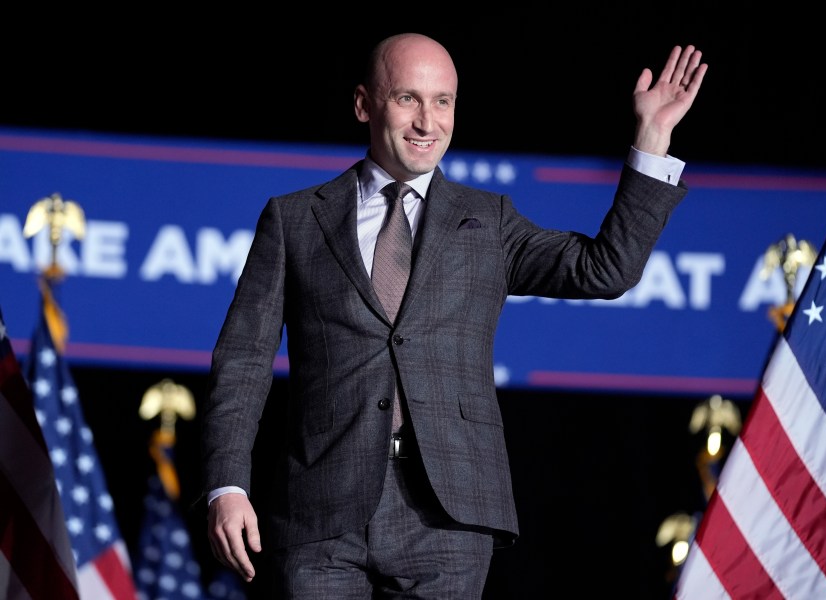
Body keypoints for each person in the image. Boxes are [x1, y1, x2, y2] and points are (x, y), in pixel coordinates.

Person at [200, 32, 707, 598]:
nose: (427, 121)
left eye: (443, 101)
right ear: (365, 104)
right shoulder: (294, 220)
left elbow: (605, 270)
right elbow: (243, 361)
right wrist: (227, 485)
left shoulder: (487, 221)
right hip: (322, 514)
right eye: (408, 99)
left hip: (448, 517)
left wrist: (652, 139)